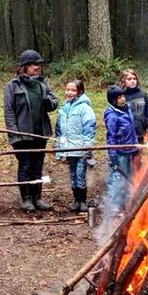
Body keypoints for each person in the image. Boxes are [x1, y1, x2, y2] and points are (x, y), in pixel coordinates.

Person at [3, 50, 57, 211]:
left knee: (37, 166)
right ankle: (26, 199)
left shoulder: (43, 83)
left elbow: (54, 103)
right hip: (22, 136)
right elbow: (8, 111)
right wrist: (15, 134)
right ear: (25, 67)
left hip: (41, 133)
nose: (37, 67)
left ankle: (37, 198)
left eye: (39, 64)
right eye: (34, 64)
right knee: (25, 166)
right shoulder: (12, 86)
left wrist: (49, 102)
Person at [55, 79, 97, 212]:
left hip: (80, 148)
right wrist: (59, 148)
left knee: (80, 174)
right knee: (72, 174)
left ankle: (82, 201)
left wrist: (87, 148)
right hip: (68, 148)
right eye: (67, 89)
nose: (70, 92)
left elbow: (89, 129)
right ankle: (75, 200)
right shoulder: (63, 108)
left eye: (73, 90)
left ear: (80, 91)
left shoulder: (85, 108)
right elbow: (59, 130)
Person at [103, 85, 139, 213]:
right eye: (119, 97)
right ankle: (113, 205)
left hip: (130, 150)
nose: (123, 99)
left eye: (123, 96)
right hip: (120, 153)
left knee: (129, 177)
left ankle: (126, 202)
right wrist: (113, 156)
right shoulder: (112, 116)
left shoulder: (126, 109)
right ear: (113, 100)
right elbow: (111, 137)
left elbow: (132, 130)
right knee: (118, 177)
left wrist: (135, 145)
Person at [119, 68, 148, 144]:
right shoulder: (120, 96)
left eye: (134, 79)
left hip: (139, 133)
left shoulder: (143, 95)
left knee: (138, 154)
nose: (132, 81)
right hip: (125, 135)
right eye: (129, 79)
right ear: (123, 80)